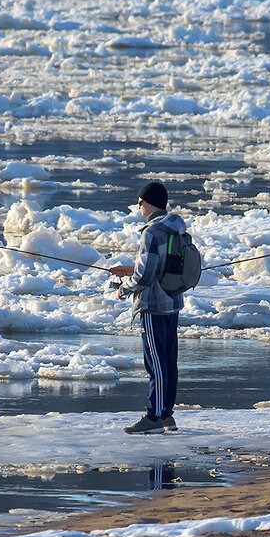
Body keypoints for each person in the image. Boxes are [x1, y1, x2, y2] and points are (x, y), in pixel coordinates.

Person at [109, 181, 186, 434]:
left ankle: (154, 417)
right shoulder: (176, 228)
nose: (139, 206)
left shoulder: (151, 232)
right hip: (172, 302)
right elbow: (161, 266)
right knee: (168, 361)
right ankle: (166, 415)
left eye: (140, 202)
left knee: (155, 363)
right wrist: (131, 269)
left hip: (153, 306)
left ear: (148, 203)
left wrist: (123, 288)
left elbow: (144, 277)